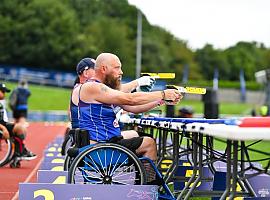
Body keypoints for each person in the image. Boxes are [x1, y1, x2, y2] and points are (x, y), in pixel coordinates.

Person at [78, 53, 182, 162]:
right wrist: (163, 94)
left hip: (106, 143)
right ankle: (149, 179)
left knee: (144, 139)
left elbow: (133, 108)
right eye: (117, 68)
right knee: (149, 143)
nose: (121, 72)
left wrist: (161, 101)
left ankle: (143, 177)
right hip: (101, 148)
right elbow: (130, 99)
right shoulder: (93, 86)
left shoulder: (102, 88)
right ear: (104, 68)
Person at [0, 83, 36, 160]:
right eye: (2, 91)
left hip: (2, 125)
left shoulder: (1, 103)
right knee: (20, 128)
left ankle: (19, 152)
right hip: (1, 128)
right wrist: (3, 128)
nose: (4, 94)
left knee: (20, 128)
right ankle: (20, 152)